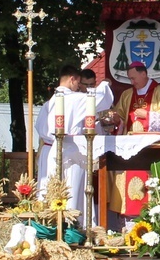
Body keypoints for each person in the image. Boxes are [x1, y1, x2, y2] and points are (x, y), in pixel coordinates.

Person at [35, 65, 114, 223]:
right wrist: (105, 84)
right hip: (72, 150)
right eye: (79, 83)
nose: (79, 87)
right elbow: (100, 98)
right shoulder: (74, 99)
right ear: (72, 79)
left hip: (50, 151)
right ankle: (74, 226)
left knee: (50, 190)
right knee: (73, 191)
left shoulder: (49, 103)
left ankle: (51, 226)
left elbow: (40, 128)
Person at [115, 62, 160, 134]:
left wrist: (148, 116)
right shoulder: (126, 94)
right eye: (130, 79)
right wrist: (115, 119)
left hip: (153, 142)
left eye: (133, 78)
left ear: (143, 74)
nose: (132, 82)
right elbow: (120, 117)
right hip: (130, 141)